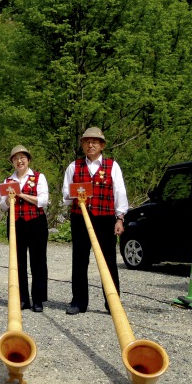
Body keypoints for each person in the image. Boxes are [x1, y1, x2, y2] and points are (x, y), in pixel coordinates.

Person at [62, 127, 128, 315]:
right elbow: (65, 195)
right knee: (80, 260)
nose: (91, 145)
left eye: (95, 142)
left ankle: (113, 302)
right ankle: (79, 302)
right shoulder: (73, 167)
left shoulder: (112, 166)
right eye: (87, 142)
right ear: (82, 145)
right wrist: (75, 194)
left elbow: (120, 193)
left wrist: (120, 218)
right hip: (80, 218)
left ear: (101, 146)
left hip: (105, 218)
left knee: (108, 261)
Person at [0, 145, 49, 313]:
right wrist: (8, 199)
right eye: (15, 158)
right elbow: (2, 206)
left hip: (36, 222)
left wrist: (20, 194)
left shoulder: (39, 177)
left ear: (28, 159)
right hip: (16, 223)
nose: (19, 161)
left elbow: (43, 201)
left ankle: (38, 299)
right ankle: (22, 299)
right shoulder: (7, 180)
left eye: (22, 158)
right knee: (17, 262)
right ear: (12, 162)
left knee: (38, 261)